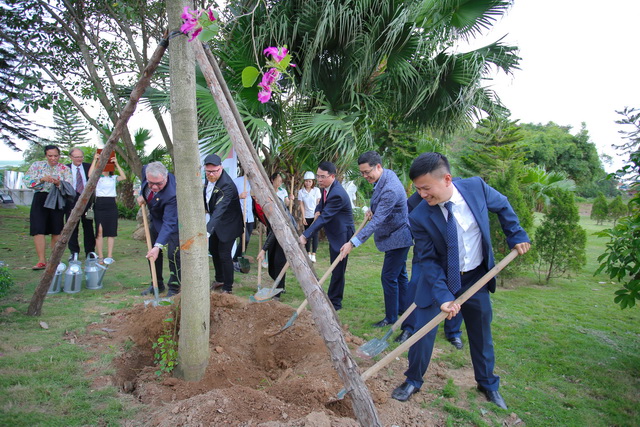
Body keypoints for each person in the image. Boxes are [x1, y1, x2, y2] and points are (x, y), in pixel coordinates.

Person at [391, 152, 530, 410]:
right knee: (422, 332)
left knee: (481, 333)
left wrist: (516, 234)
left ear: (446, 179)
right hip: (438, 281)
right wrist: (444, 297)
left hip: (476, 277)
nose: (421, 195)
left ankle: (487, 384)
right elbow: (428, 261)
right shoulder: (420, 216)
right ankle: (413, 380)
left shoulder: (475, 188)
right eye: (418, 189)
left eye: (426, 188)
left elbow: (503, 205)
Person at [341, 151, 413, 328]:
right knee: (400, 275)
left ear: (378, 166)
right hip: (396, 234)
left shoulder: (390, 188)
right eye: (362, 173)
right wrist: (373, 209)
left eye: (367, 172)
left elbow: (378, 220)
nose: (365, 176)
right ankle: (404, 308)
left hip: (398, 237)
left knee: (388, 277)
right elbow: (381, 207)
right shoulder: (386, 176)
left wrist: (353, 242)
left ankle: (391, 318)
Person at [397, 191, 464, 346]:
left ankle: (453, 332)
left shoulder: (456, 192)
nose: (422, 191)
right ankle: (409, 327)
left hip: (454, 254)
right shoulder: (414, 201)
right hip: (425, 254)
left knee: (457, 290)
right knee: (414, 286)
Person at [298, 161, 354, 311]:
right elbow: (322, 206)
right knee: (334, 266)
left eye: (323, 176)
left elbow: (325, 217)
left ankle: (335, 302)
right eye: (318, 176)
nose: (319, 179)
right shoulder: (327, 188)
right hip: (335, 232)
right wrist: (317, 209)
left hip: (342, 234)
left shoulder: (337, 194)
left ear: (332, 176)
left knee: (337, 267)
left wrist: (305, 235)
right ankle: (332, 298)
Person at [23, 145, 72, 270]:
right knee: (38, 229)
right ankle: (41, 261)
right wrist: (41, 179)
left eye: (55, 156)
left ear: (59, 156)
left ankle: (54, 260)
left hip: (56, 199)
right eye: (50, 156)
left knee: (57, 230)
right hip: (40, 198)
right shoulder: (37, 166)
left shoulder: (64, 169)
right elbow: (27, 180)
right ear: (46, 155)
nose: (53, 158)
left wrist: (58, 183)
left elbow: (70, 186)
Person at [138, 162, 181, 297]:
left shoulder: (172, 194)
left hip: (173, 222)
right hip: (155, 219)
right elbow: (145, 184)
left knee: (173, 255)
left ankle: (174, 287)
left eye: (159, 184)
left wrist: (159, 246)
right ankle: (156, 283)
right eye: (151, 183)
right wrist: (141, 194)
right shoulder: (146, 169)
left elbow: (169, 223)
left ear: (166, 177)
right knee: (152, 254)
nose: (154, 187)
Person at [203, 154, 244, 294]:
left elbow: (220, 210)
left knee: (224, 254)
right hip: (217, 223)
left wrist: (207, 231)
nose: (211, 174)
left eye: (215, 171)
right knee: (213, 250)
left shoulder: (227, 185)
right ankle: (219, 279)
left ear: (221, 168)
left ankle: (228, 287)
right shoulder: (207, 179)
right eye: (208, 171)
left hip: (229, 224)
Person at [256, 176, 297, 298]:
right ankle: (278, 286)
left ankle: (278, 292)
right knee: (272, 263)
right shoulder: (260, 203)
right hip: (275, 230)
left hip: (286, 232)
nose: (255, 200)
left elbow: (276, 230)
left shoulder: (273, 204)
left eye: (256, 197)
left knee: (279, 261)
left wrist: (263, 249)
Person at [89, 153, 126, 262]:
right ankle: (100, 256)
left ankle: (109, 256)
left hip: (111, 204)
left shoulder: (113, 177)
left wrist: (116, 163)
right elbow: (90, 175)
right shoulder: (97, 177)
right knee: (99, 230)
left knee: (111, 231)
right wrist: (95, 160)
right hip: (100, 203)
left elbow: (123, 177)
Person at [65, 147, 96, 261]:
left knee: (88, 226)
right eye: (76, 157)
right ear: (71, 157)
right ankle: (74, 252)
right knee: (72, 227)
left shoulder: (88, 167)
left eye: (81, 157)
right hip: (71, 199)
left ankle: (90, 251)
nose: (79, 159)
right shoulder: (66, 168)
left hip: (86, 198)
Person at [232, 174, 255, 272]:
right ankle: (234, 260)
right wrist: (239, 196)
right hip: (240, 215)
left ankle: (238, 260)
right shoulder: (237, 181)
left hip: (250, 216)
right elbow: (230, 197)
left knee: (246, 240)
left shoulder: (254, 181)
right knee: (245, 239)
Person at [298, 171, 321, 262]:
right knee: (307, 235)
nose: (308, 183)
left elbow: (318, 203)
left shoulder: (316, 190)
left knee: (315, 234)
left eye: (310, 181)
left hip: (315, 215)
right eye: (306, 181)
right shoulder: (301, 192)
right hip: (307, 216)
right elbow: (302, 205)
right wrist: (303, 217)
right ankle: (308, 253)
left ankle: (313, 254)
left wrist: (317, 213)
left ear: (313, 182)